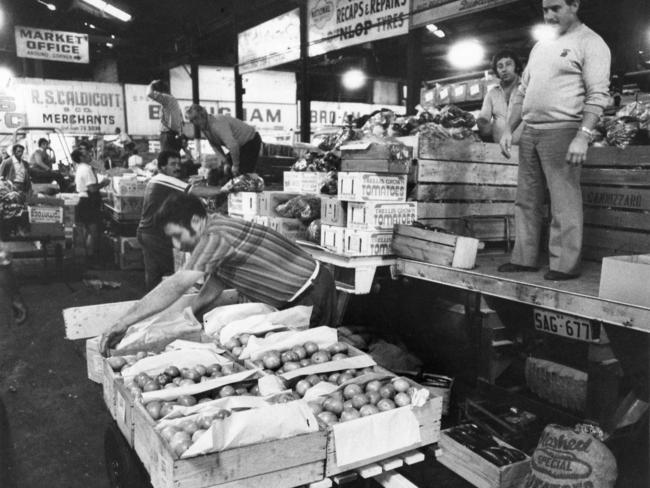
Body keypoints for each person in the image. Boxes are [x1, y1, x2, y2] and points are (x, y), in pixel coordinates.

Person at [100, 192, 337, 354]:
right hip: (302, 293)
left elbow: (177, 285)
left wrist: (124, 322)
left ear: (195, 221)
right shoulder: (215, 227)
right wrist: (193, 313)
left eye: (177, 235)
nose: (175, 245)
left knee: (312, 355)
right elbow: (219, 278)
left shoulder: (215, 236)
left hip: (311, 293)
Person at [499, 0, 611, 281]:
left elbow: (598, 95)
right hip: (530, 132)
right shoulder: (541, 46)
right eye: (545, 9)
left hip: (563, 131)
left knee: (564, 201)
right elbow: (522, 92)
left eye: (556, 8)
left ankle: (564, 265)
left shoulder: (591, 42)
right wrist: (508, 130)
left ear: (574, 5)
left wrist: (582, 136)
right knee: (526, 200)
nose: (548, 16)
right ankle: (524, 259)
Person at [137, 150, 188, 290]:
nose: (177, 167)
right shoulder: (165, 180)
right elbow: (194, 191)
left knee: (154, 273)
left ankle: (151, 307)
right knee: (175, 268)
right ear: (163, 167)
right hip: (154, 235)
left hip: (146, 233)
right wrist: (224, 189)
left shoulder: (158, 180)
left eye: (179, 163)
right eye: (173, 164)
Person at [185, 104, 262, 177]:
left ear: (202, 115)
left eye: (195, 119)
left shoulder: (217, 124)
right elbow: (215, 146)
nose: (194, 123)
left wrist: (235, 165)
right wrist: (225, 162)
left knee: (242, 174)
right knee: (227, 171)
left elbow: (233, 145)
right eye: (191, 121)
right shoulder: (205, 127)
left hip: (251, 141)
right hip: (240, 146)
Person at [477, 49, 524, 143]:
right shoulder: (492, 93)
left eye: (508, 64)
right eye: (500, 66)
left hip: (525, 149)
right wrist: (482, 122)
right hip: (500, 149)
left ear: (516, 66)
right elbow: (484, 119)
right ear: (496, 71)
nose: (504, 69)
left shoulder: (526, 88)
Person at [74, 147, 109, 267]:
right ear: (81, 158)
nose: (90, 155)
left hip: (84, 200)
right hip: (88, 201)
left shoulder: (82, 168)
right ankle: (91, 260)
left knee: (88, 231)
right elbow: (92, 188)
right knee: (93, 231)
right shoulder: (86, 169)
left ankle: (88, 259)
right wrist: (104, 183)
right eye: (87, 154)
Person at [147, 79, 184, 153]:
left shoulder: (166, 98)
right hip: (174, 134)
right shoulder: (173, 101)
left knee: (166, 157)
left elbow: (149, 94)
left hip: (167, 134)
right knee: (173, 156)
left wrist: (151, 83)